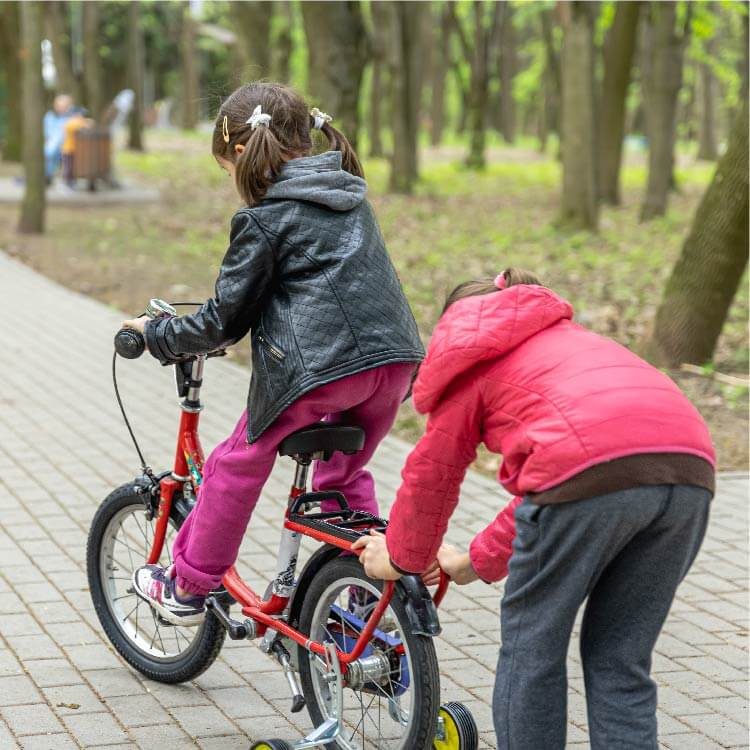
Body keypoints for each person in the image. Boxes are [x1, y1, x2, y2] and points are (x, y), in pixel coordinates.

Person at [354, 268, 715, 750]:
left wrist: (400, 558)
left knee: (532, 650)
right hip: (690, 471)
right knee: (620, 659)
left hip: (587, 478)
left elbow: (431, 478)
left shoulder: (472, 358)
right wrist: (474, 562)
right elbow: (549, 490)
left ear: (458, 320)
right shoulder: (573, 343)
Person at [124, 82, 424, 626]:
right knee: (344, 472)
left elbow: (224, 322)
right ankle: (364, 604)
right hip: (394, 362)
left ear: (240, 154)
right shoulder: (350, 194)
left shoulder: (263, 218)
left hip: (321, 374)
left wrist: (159, 336)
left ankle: (187, 586)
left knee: (235, 462)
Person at [43, 94, 74, 182]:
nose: (61, 108)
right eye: (59, 106)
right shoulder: (49, 116)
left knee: (51, 152)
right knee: (49, 151)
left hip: (65, 146)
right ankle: (46, 175)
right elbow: (47, 134)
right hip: (52, 144)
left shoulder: (71, 119)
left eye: (64, 106)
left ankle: (47, 175)